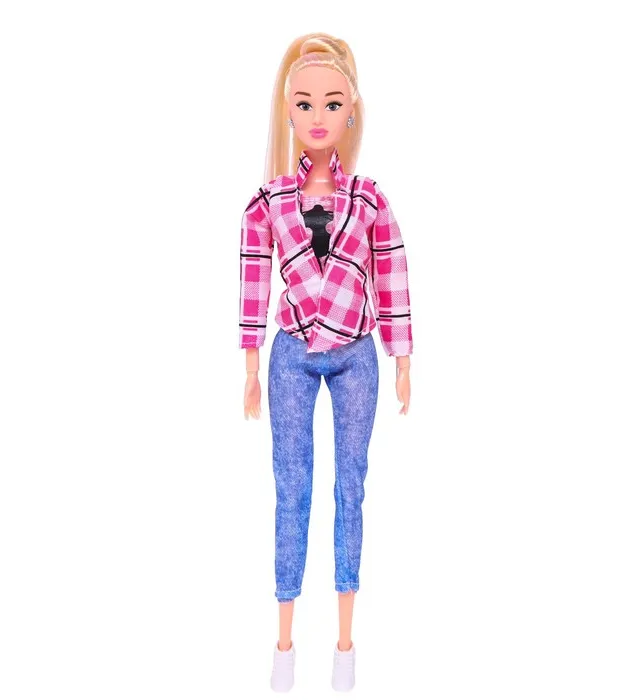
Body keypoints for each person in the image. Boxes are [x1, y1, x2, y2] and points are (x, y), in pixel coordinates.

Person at [238, 32, 413, 692]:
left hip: (356, 354)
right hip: (290, 353)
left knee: (351, 486)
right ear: (288, 110)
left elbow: (391, 275)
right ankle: (284, 642)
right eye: (305, 103)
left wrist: (401, 356)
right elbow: (254, 281)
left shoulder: (369, 200)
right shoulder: (268, 203)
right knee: (291, 486)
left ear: (351, 112)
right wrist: (250, 363)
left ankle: (344, 643)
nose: (318, 116)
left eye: (332, 103)